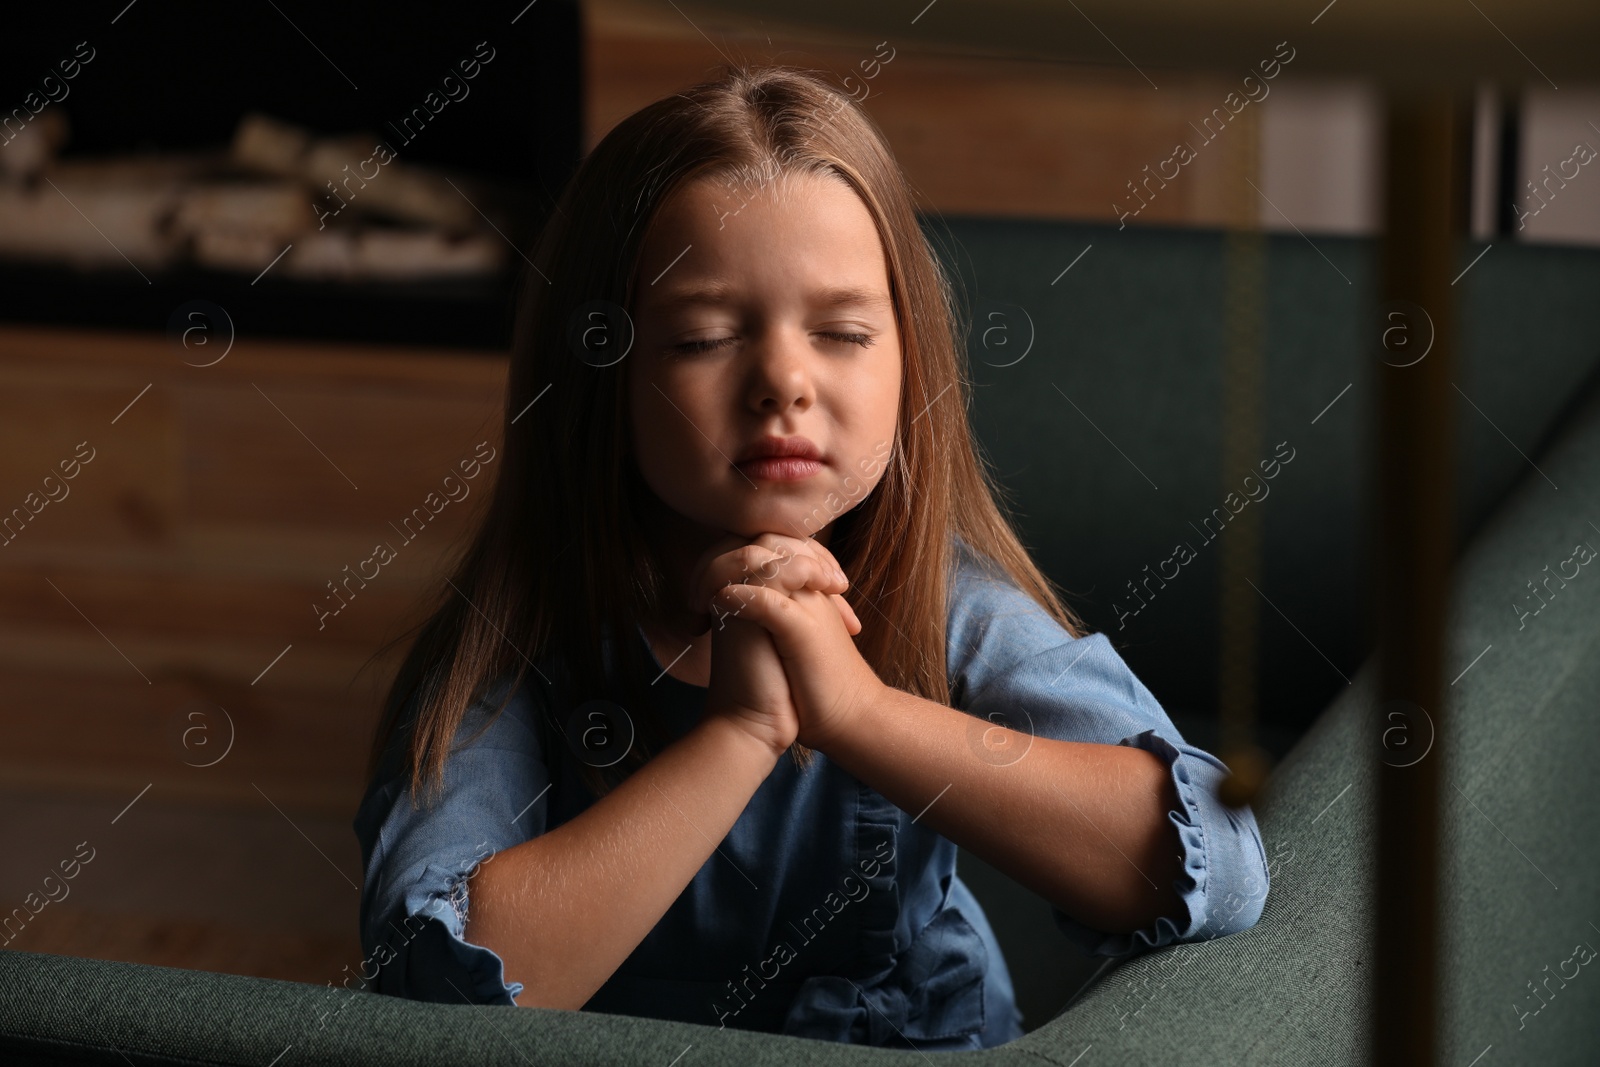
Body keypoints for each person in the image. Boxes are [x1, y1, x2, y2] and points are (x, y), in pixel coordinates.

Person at [351, 63, 1269, 1052]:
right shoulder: (515, 644)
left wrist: (860, 710)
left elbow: (1214, 862)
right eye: (704, 337)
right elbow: (433, 990)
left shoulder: (949, 603)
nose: (783, 380)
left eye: (841, 331)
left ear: (909, 358)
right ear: (596, 369)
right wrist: (741, 730)